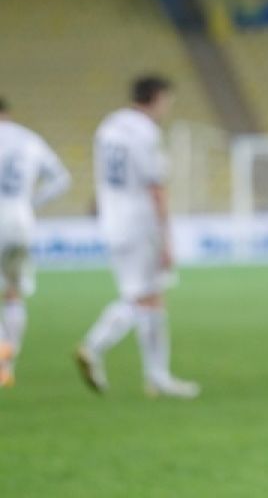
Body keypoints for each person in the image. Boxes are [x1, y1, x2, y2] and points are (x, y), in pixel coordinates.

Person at [75, 75, 200, 399]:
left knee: (149, 295)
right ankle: (96, 346)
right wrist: (167, 237)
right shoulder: (146, 132)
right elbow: (155, 186)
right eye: (167, 101)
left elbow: (103, 176)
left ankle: (156, 377)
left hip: (112, 218)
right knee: (144, 297)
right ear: (157, 98)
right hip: (139, 219)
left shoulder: (109, 126)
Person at [0, 97, 72, 386]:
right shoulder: (28, 138)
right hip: (21, 220)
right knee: (14, 293)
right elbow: (61, 179)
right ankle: (8, 366)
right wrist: (31, 202)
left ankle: (0, 343)